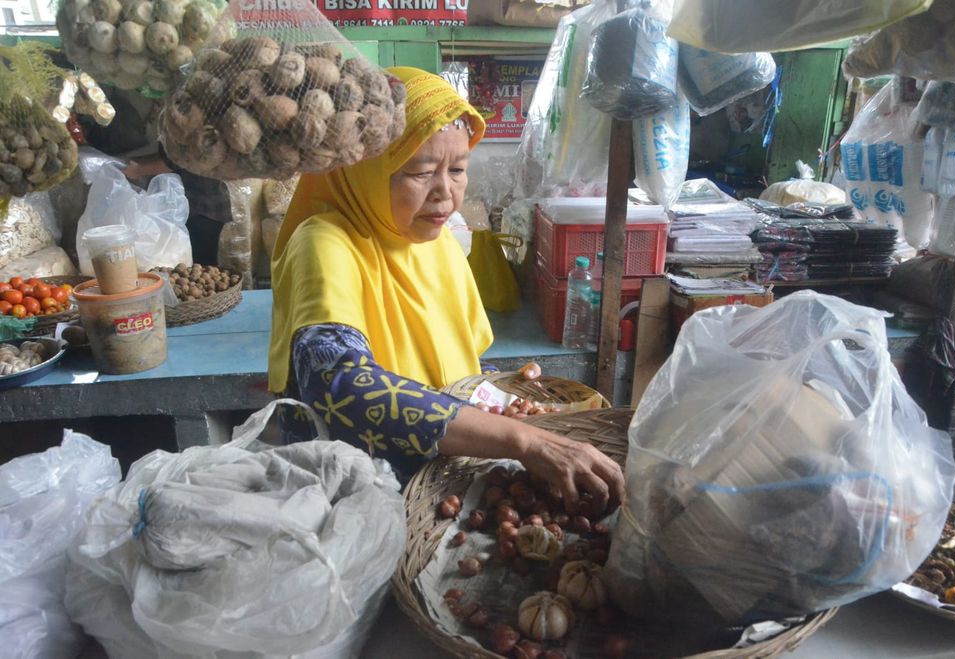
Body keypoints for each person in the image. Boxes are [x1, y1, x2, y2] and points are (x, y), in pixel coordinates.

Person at [268, 67, 624, 515]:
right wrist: (522, 439)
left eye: (457, 169)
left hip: (440, 484)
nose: (445, 194)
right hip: (356, 496)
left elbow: (456, 369)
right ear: (363, 170)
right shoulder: (325, 241)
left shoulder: (437, 244)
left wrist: (514, 406)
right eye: (419, 172)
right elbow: (339, 383)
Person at [122, 143, 233, 266]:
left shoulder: (192, 133)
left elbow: (174, 162)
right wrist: (138, 162)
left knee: (202, 265)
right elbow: (169, 157)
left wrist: (138, 170)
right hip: (198, 206)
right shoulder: (179, 135)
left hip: (204, 207)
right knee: (193, 264)